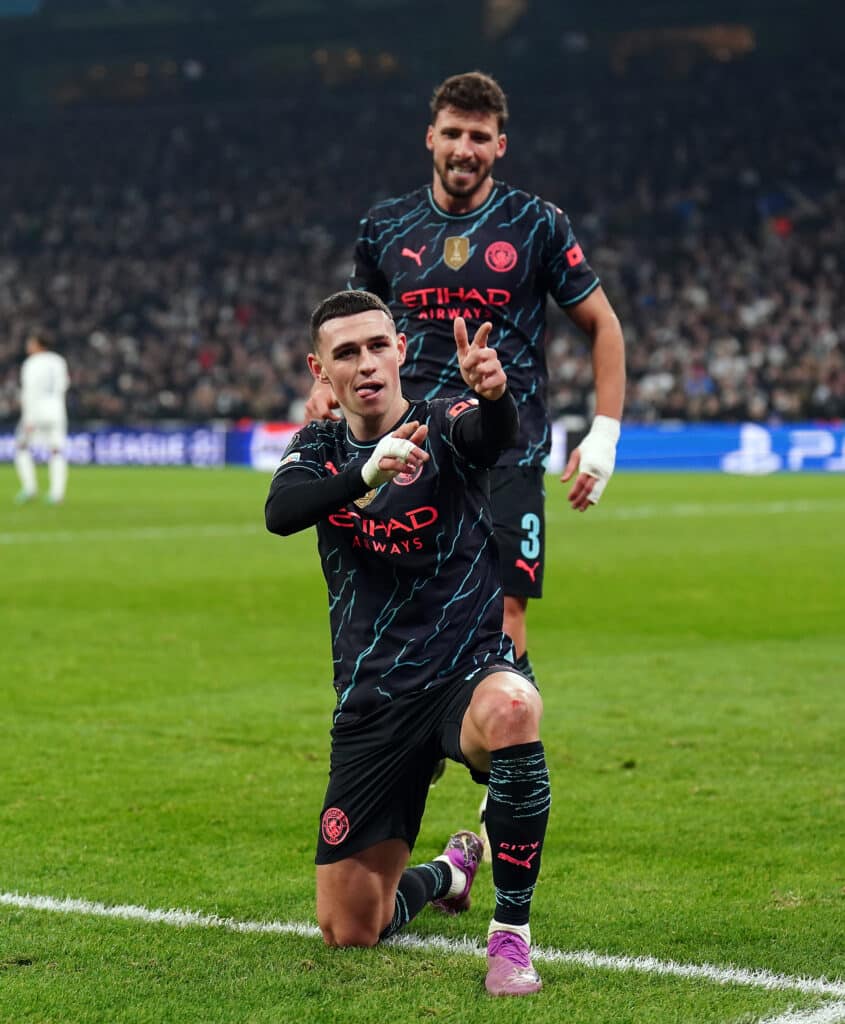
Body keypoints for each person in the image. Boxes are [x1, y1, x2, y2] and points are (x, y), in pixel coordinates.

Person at [305, 69, 625, 706]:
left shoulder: (537, 223)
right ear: (430, 137)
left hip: (510, 447)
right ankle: (411, 745)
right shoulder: (385, 226)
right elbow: (350, 322)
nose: (464, 148)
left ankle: (503, 774)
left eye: (479, 136)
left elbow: (602, 324)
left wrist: (606, 433)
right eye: (452, 133)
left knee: (506, 609)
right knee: (403, 605)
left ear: (499, 145)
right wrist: (323, 392)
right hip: (413, 446)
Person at [266, 290, 550, 996]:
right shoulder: (319, 449)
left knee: (514, 707)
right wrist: (367, 472)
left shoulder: (443, 420)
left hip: (463, 676)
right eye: (345, 354)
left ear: (398, 348)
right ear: (319, 370)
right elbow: (280, 513)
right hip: (375, 701)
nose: (365, 364)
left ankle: (509, 939)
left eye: (375, 346)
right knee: (349, 928)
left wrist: (494, 397)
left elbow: (491, 438)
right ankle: (449, 871)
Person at [14, 330, 70, 505]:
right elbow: (64, 385)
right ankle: (57, 493)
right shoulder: (59, 361)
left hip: (36, 411)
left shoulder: (31, 364)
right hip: (57, 410)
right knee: (56, 451)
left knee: (21, 447)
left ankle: (30, 488)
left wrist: (29, 418)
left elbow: (30, 391)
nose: (28, 346)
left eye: (30, 342)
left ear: (38, 345)